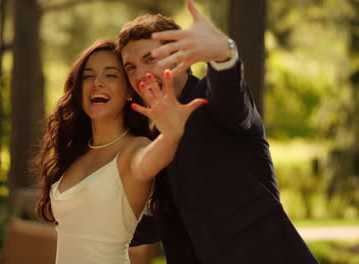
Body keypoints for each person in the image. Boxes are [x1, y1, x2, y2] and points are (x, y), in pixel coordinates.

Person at [117, 0, 319, 263]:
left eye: (150, 59)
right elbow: (166, 215)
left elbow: (231, 94)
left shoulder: (212, 99)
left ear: (180, 56)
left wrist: (224, 54)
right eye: (130, 67)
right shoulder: (156, 138)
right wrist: (93, 227)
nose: (140, 74)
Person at [35, 40, 205, 263]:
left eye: (111, 75)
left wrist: (172, 135)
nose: (98, 83)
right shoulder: (76, 152)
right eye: (88, 76)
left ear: (128, 92)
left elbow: (149, 160)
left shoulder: (135, 150)